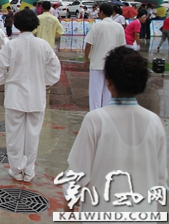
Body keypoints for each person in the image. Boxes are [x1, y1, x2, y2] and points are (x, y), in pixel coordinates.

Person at [61, 46, 167, 216]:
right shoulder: (155, 122)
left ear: (108, 81)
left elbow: (78, 174)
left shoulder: (96, 120)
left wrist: (68, 208)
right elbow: (161, 178)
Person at [0, 9, 61, 182]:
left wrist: (5, 79)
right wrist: (43, 82)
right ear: (35, 25)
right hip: (37, 96)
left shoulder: (12, 45)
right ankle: (29, 170)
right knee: (33, 135)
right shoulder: (43, 45)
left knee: (14, 135)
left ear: (16, 25)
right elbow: (54, 69)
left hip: (15, 95)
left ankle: (16, 169)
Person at [84, 2, 126, 111]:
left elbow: (88, 44)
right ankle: (107, 111)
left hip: (97, 62)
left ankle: (94, 112)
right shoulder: (119, 27)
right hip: (112, 63)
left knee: (95, 91)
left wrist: (86, 58)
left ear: (101, 12)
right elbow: (122, 47)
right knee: (108, 90)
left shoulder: (97, 26)